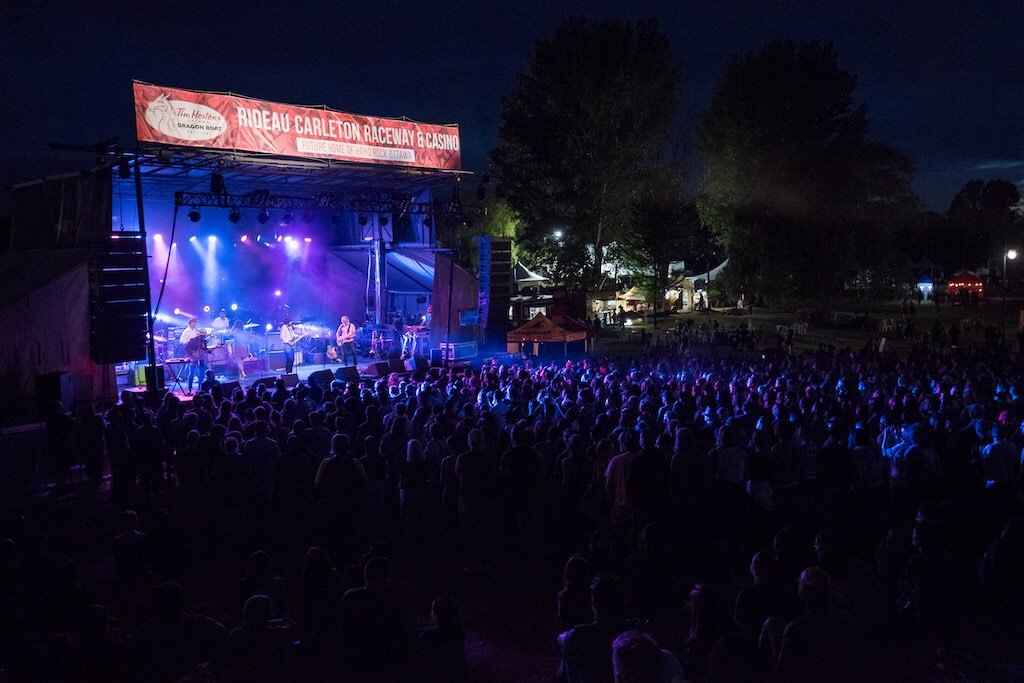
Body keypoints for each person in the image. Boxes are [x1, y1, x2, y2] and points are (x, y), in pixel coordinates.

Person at [179, 318, 207, 393]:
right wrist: (192, 353)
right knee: (191, 372)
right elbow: (183, 343)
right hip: (192, 355)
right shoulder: (188, 332)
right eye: (194, 323)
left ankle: (200, 388)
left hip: (200, 356)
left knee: (201, 371)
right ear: (191, 323)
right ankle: (189, 388)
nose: (195, 324)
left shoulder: (196, 332)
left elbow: (203, 347)